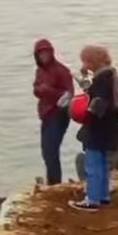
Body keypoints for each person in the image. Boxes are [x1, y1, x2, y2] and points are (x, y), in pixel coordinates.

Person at [68, 45, 118, 212]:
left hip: (99, 130)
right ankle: (103, 196)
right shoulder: (110, 75)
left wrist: (84, 115)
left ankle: (92, 199)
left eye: (85, 61)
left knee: (93, 165)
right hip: (110, 128)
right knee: (103, 165)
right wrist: (85, 78)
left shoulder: (101, 79)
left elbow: (98, 104)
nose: (83, 64)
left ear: (91, 61)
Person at [32, 39, 74, 186]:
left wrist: (48, 91)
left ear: (52, 53)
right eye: (41, 53)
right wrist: (39, 90)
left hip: (59, 114)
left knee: (51, 150)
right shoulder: (40, 71)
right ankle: (52, 181)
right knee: (46, 151)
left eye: (46, 52)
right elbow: (36, 90)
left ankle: (55, 183)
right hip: (45, 114)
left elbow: (69, 94)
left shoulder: (62, 71)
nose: (44, 56)